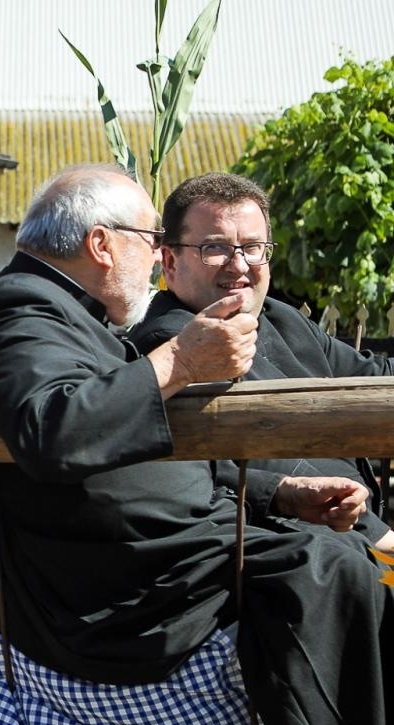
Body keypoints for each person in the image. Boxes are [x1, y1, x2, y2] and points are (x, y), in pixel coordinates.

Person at [0, 163, 394, 725]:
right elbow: (52, 427)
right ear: (101, 243)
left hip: (157, 547)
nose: (155, 261)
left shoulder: (59, 309)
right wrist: (181, 362)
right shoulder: (20, 308)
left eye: (252, 248)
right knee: (326, 568)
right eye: (152, 241)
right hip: (98, 589)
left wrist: (280, 496)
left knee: (325, 561)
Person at [128, 172, 394, 550]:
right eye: (215, 248)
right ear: (170, 262)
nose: (238, 265)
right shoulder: (169, 347)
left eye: (253, 247)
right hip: (297, 549)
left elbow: (373, 376)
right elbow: (236, 470)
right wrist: (378, 534)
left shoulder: (279, 318)